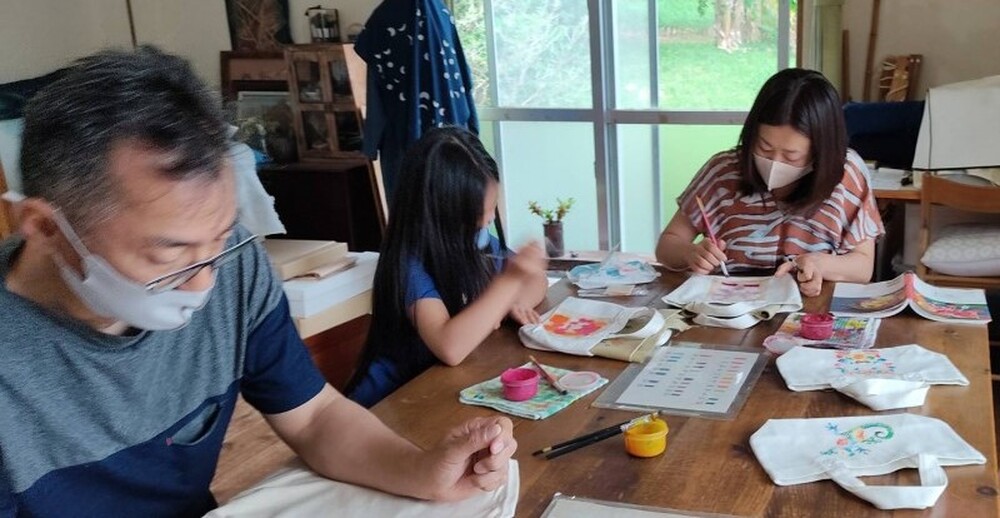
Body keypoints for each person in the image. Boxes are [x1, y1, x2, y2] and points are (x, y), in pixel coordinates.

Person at [0, 47, 516, 517]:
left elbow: (314, 418)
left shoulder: (233, 265)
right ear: (45, 228)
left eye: (220, 238)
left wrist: (423, 472)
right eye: (171, 253)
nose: (204, 285)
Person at [346, 126, 549, 408]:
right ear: (447, 214)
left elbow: (537, 281)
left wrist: (512, 303)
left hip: (446, 389)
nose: (490, 219)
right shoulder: (409, 265)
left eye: (492, 206)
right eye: (482, 212)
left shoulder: (473, 238)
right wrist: (509, 283)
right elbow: (449, 347)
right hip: (391, 404)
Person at [655, 68, 884, 297]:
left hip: (809, 307)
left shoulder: (845, 175)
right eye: (764, 147)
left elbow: (863, 266)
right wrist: (689, 253)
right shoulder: (722, 171)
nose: (774, 163)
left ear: (820, 151)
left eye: (791, 156)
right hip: (730, 305)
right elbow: (667, 245)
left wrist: (820, 264)